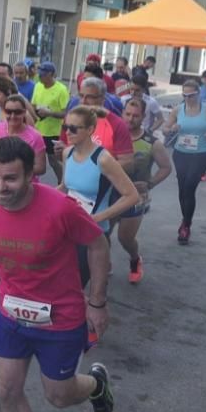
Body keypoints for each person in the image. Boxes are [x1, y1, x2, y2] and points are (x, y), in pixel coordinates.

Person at [0, 137, 114, 412]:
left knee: (59, 397)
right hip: (11, 312)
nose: (0, 187)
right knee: (6, 389)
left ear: (30, 176)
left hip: (60, 317)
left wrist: (96, 302)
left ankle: (96, 384)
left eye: (10, 178)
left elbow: (97, 244)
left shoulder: (60, 207)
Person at [61, 105, 138, 287]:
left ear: (90, 130)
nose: (67, 133)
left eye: (73, 128)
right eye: (66, 127)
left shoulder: (103, 159)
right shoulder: (67, 153)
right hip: (68, 226)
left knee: (76, 284)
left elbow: (131, 195)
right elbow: (65, 187)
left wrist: (97, 218)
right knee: (59, 280)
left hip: (91, 231)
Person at [117, 98, 172, 284]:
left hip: (135, 197)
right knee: (100, 234)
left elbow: (166, 167)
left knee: (125, 238)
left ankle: (135, 259)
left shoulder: (152, 143)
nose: (130, 119)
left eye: (136, 115)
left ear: (144, 117)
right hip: (110, 193)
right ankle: (101, 264)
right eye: (127, 114)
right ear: (122, 113)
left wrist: (149, 183)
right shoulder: (110, 136)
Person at [162, 79, 206, 245]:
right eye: (185, 95)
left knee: (190, 186)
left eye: (191, 95)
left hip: (201, 154)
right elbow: (165, 129)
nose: (188, 98)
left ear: (198, 94)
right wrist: (171, 129)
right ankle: (185, 220)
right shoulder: (178, 110)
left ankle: (186, 225)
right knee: (183, 190)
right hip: (181, 153)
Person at [59, 77, 134, 171]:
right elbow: (64, 151)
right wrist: (59, 152)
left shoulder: (117, 124)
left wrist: (95, 171)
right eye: (81, 96)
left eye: (90, 97)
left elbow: (127, 161)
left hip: (103, 184)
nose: (83, 101)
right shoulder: (70, 119)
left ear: (102, 99)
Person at [0, 94, 46, 178]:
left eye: (17, 112)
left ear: (24, 112)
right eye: (8, 112)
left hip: (25, 185)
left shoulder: (35, 136)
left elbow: (41, 168)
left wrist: (14, 171)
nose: (13, 116)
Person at [31, 61, 69, 184]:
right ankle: (32, 182)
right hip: (37, 130)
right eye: (39, 74)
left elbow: (66, 113)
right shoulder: (38, 86)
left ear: (51, 74)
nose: (40, 77)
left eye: (43, 75)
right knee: (32, 159)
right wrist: (35, 112)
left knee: (53, 160)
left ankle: (62, 183)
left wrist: (50, 113)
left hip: (54, 131)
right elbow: (33, 104)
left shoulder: (61, 90)